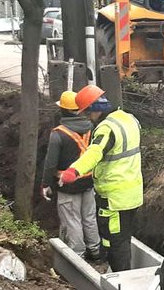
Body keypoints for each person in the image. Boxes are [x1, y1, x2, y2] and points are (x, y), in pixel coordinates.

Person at [58, 84, 143, 272]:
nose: (87, 118)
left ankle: (121, 281)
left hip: (114, 198)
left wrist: (73, 171)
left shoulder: (107, 128)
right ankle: (114, 271)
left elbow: (94, 152)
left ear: (95, 110)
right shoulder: (129, 119)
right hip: (132, 194)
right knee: (119, 237)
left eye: (87, 113)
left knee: (116, 242)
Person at [40, 91, 102, 261]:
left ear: (63, 111)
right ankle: (95, 250)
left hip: (68, 185)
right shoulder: (91, 128)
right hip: (88, 182)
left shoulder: (58, 133)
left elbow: (50, 163)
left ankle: (78, 256)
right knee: (89, 217)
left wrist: (45, 184)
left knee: (72, 220)